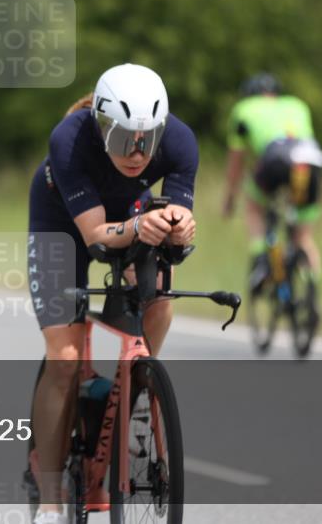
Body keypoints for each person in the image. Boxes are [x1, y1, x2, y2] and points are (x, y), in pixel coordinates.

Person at [26, 63, 198, 524]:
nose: (136, 153)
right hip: (63, 223)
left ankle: (136, 392)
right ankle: (49, 500)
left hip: (131, 213)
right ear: (102, 126)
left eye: (147, 139)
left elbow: (177, 221)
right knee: (64, 357)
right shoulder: (69, 139)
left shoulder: (181, 141)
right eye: (123, 140)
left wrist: (180, 228)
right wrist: (140, 227)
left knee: (158, 299)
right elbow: (96, 237)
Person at [222, 73, 322, 289]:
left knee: (254, 208)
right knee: (303, 236)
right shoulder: (297, 104)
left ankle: (261, 259)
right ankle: (311, 291)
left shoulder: (243, 109)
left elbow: (236, 163)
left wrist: (230, 200)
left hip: (276, 158)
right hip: (311, 160)